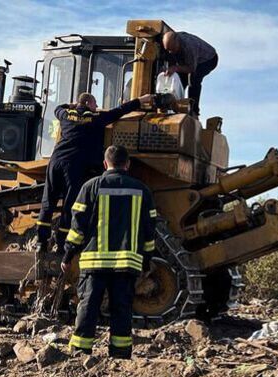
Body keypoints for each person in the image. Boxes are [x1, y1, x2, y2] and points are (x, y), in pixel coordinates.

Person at [34, 91, 166, 253]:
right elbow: (121, 110)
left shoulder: (65, 115)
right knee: (69, 206)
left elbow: (58, 109)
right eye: (95, 105)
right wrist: (141, 100)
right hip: (74, 165)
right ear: (89, 103)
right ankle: (61, 245)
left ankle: (41, 242)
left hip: (55, 162)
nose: (97, 108)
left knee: (48, 201)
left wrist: (72, 105)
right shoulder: (96, 119)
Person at [64, 144, 160, 359]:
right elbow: (149, 229)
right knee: (122, 310)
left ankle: (80, 352)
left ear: (105, 163)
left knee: (88, 307)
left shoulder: (90, 187)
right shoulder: (142, 190)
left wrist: (68, 254)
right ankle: (120, 354)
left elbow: (77, 227)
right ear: (128, 164)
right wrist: (146, 260)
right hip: (127, 264)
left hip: (93, 263)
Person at [160, 27, 218, 122]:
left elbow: (191, 68)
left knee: (193, 79)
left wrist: (175, 68)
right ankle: (173, 105)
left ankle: (193, 110)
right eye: (168, 50)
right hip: (186, 60)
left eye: (172, 49)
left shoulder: (189, 46)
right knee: (178, 80)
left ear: (177, 43)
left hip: (208, 60)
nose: (170, 52)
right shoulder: (171, 45)